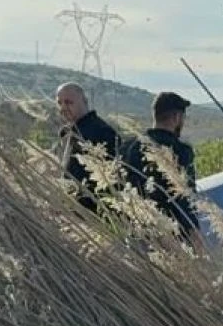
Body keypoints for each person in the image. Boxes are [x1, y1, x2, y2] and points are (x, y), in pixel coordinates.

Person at [121, 91, 201, 244]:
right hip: (173, 233)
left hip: (137, 230)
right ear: (177, 117)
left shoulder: (129, 146)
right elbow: (185, 195)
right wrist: (193, 231)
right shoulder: (180, 150)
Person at [56, 82, 121, 213]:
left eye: (68, 102)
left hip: (94, 214)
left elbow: (113, 180)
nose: (63, 107)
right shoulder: (67, 133)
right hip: (71, 212)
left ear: (84, 102)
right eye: (59, 103)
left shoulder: (103, 131)